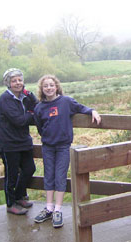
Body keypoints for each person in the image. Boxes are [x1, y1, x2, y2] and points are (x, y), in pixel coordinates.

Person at [33, 74, 101, 228]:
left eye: (51, 85)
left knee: (60, 176)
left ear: (56, 86)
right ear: (42, 89)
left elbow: (82, 108)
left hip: (63, 146)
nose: (49, 88)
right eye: (46, 86)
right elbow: (39, 127)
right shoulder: (39, 107)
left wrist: (93, 111)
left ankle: (58, 209)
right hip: (48, 147)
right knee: (48, 175)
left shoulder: (66, 102)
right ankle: (49, 208)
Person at [0, 68, 38, 215]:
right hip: (8, 143)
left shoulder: (24, 96)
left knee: (29, 169)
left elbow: (37, 106)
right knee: (11, 175)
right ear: (8, 83)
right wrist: (31, 113)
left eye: (20, 80)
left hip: (23, 141)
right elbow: (19, 120)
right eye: (14, 81)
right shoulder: (5, 99)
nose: (18, 83)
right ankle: (10, 204)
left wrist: (30, 95)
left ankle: (19, 197)